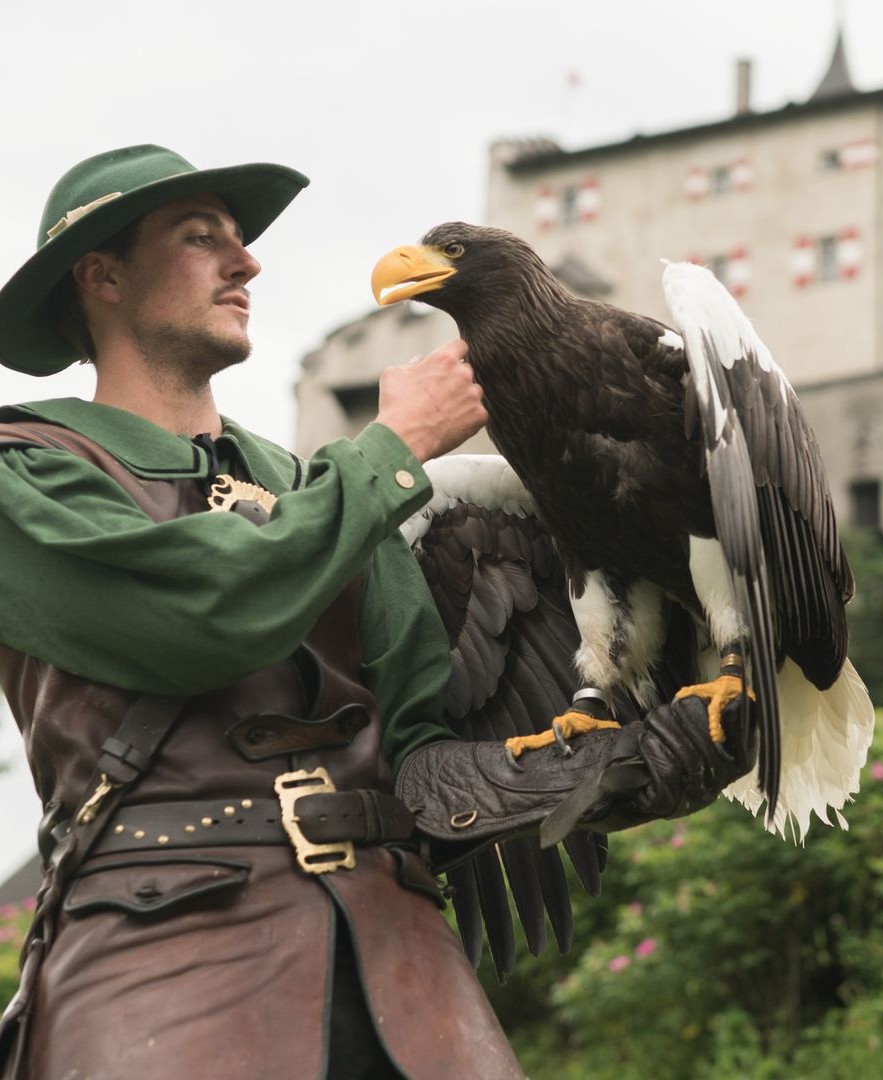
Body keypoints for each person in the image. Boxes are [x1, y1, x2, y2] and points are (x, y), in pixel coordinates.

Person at [0, 145, 753, 1079]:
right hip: (160, 962)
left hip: (402, 973)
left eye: (245, 242)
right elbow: (200, 617)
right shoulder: (25, 476)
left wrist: (613, 768)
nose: (248, 264)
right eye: (204, 239)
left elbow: (423, 747)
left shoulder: (318, 491)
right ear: (100, 275)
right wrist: (393, 450)